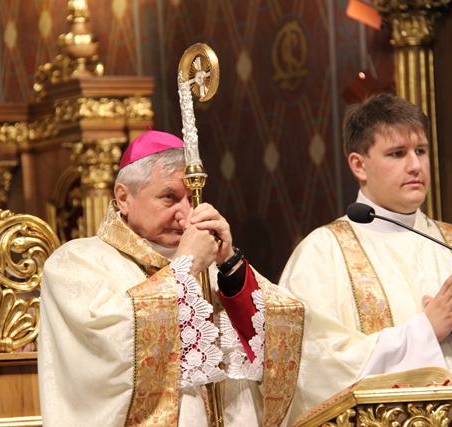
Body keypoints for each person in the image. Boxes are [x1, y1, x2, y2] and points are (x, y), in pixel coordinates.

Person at [38, 129, 304, 427]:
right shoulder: (77, 262)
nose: (186, 215)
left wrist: (230, 264)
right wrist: (185, 267)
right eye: (170, 197)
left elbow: (281, 335)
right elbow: (110, 350)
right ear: (123, 198)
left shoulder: (207, 259)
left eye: (191, 199)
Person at [279, 92, 452, 421]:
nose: (415, 166)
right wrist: (425, 331)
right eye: (397, 153)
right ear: (359, 165)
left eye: (421, 151)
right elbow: (315, 368)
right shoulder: (322, 254)